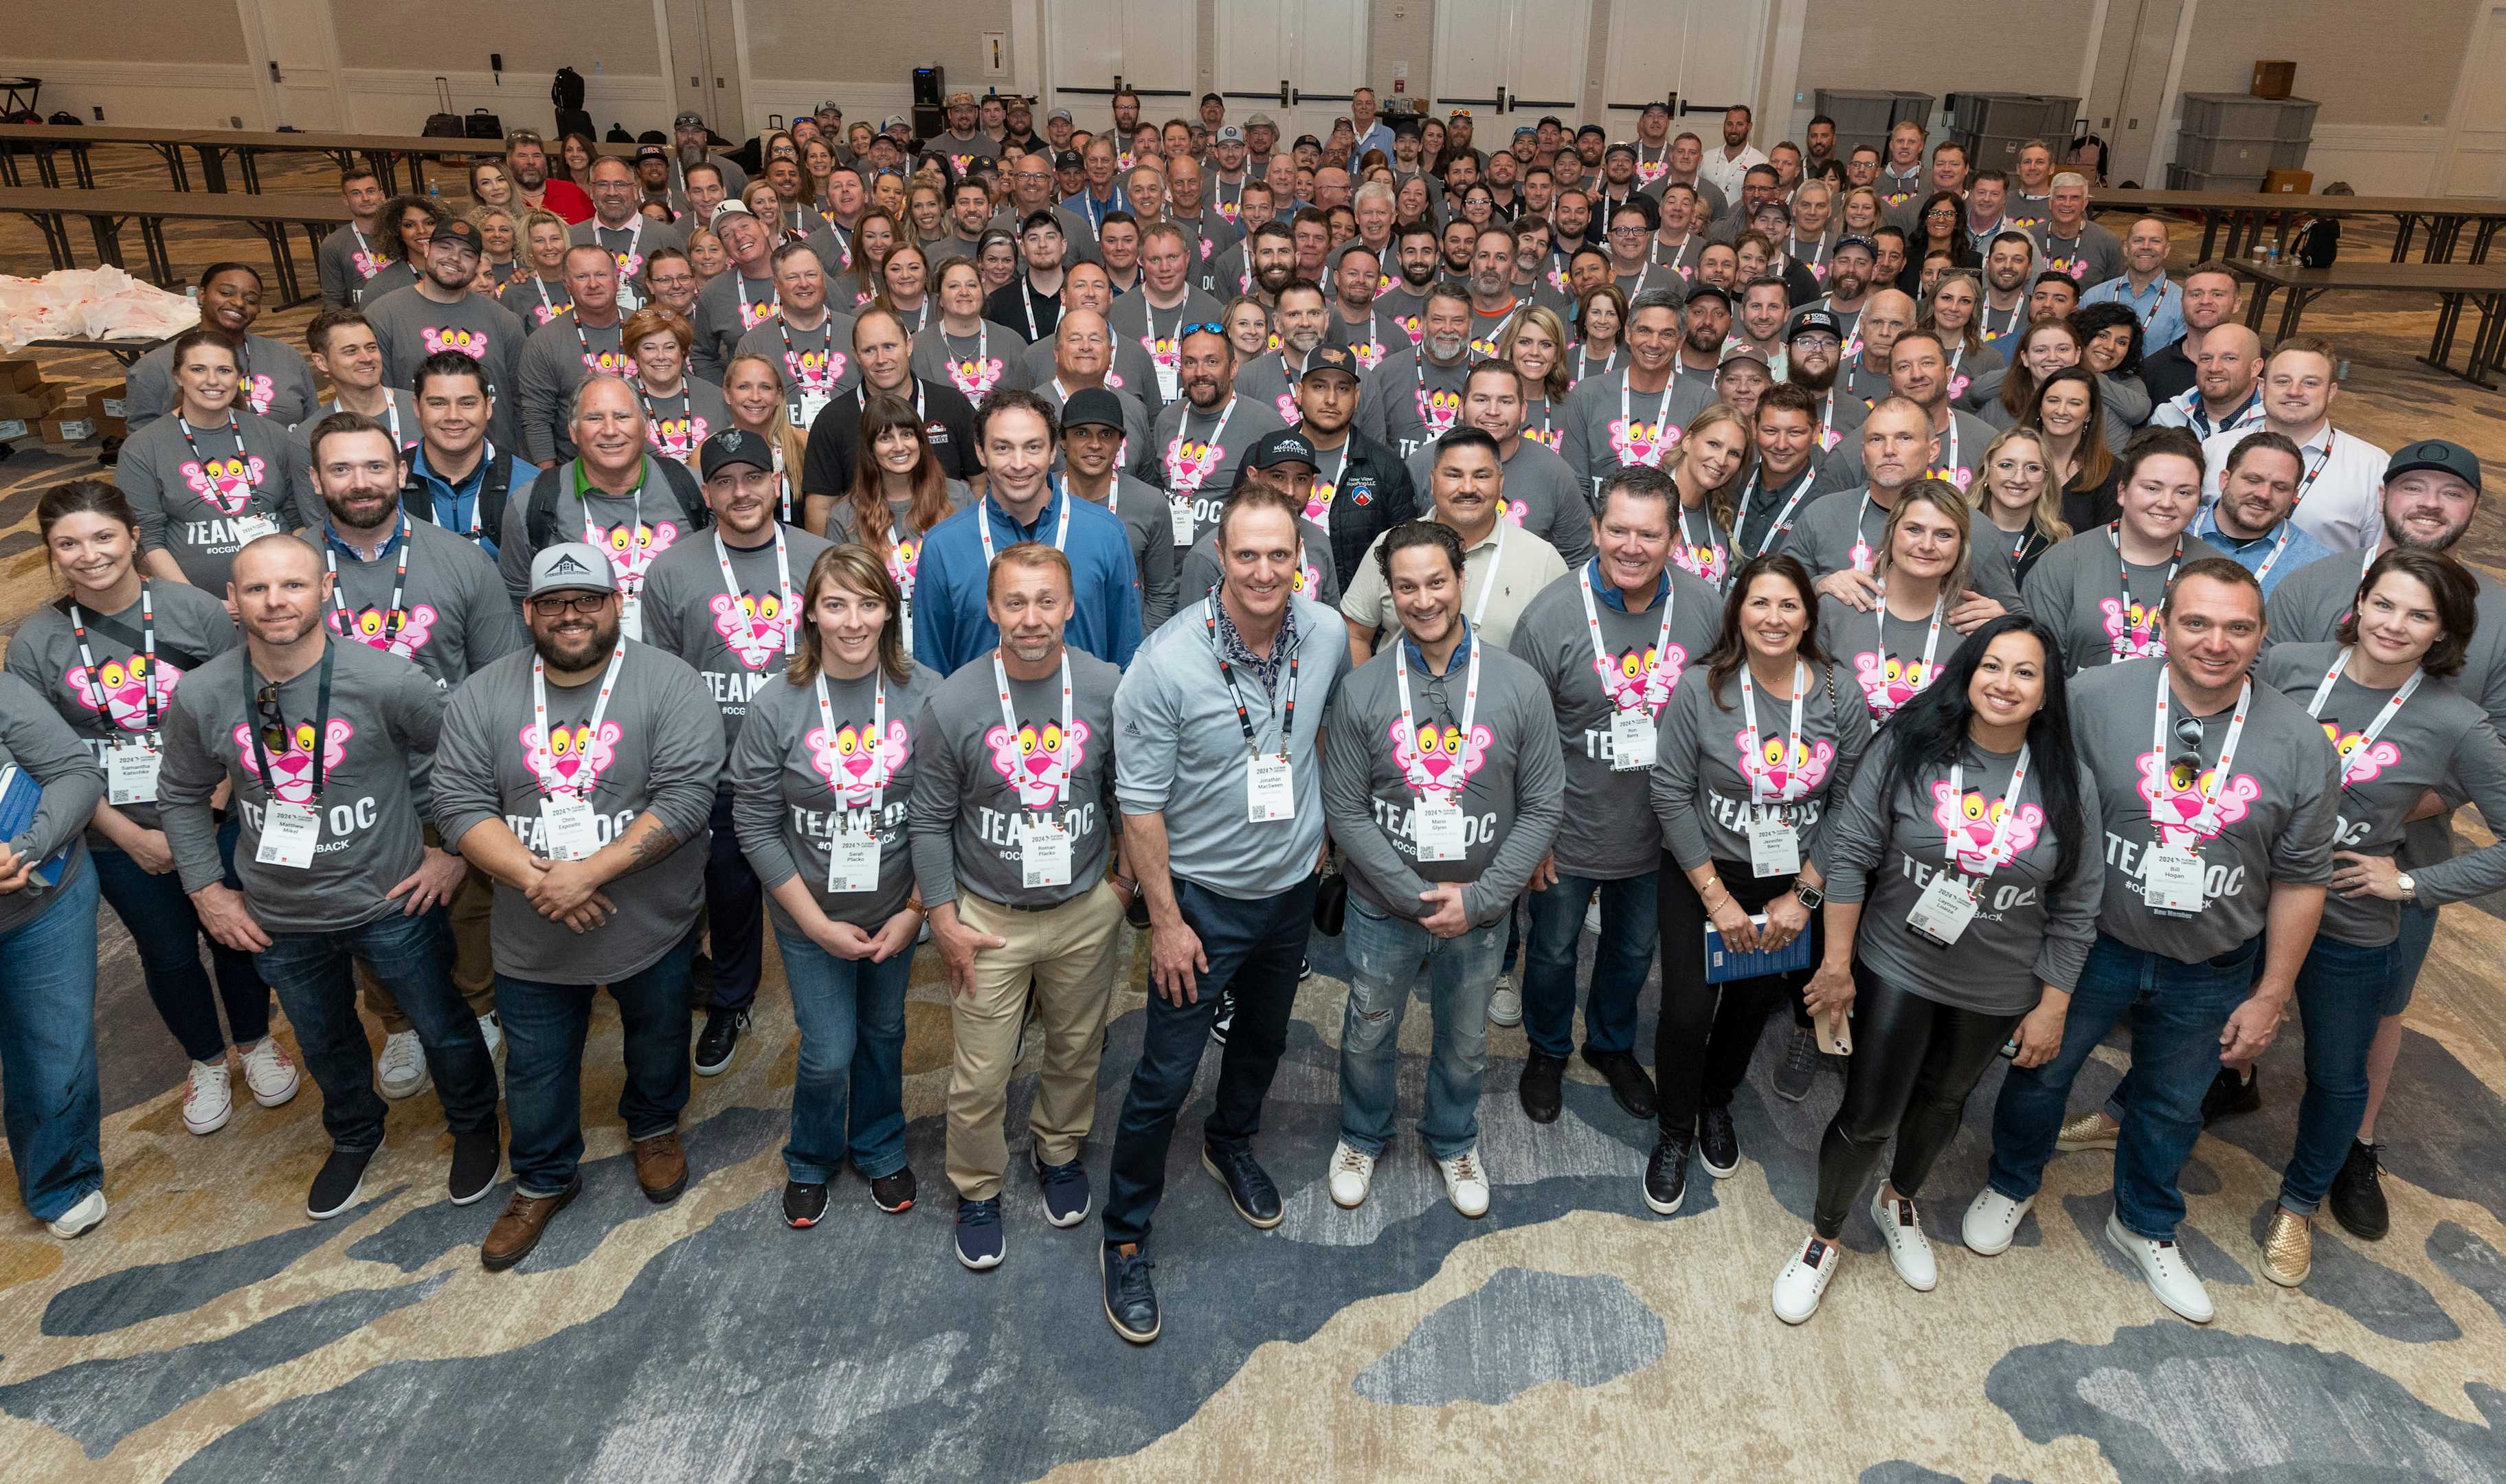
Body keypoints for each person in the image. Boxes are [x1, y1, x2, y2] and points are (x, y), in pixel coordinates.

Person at [1965, 558, 2337, 1325]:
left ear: (2261, 637)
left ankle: (2143, 1222)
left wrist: (2269, 995)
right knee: (2041, 1073)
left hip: (2212, 962)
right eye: (2195, 622)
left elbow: (2302, 879)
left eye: (2237, 628)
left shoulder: (2302, 742)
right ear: (2162, 626)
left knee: (2172, 1104)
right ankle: (2009, 1182)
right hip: (2092, 944)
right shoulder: (2092, 697)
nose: (2215, 643)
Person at [156, 529, 500, 1219]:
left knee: (444, 1025)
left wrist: (453, 852)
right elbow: (180, 795)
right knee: (321, 1038)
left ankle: (474, 1125)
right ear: (231, 601)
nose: (275, 601)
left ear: (324, 590)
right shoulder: (203, 694)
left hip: (391, 901)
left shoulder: (385, 679)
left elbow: (468, 764)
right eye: (256, 588)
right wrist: (207, 890)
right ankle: (353, 1133)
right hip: (279, 913)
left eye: (291, 585)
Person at [1772, 614, 2102, 1321]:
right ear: (1967, 672)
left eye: (2024, 672)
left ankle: (1898, 1202)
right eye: (1991, 666)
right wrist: (1835, 965)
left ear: (2046, 694)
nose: (2004, 684)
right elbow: (1852, 852)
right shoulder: (1908, 747)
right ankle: (1822, 1237)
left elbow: (2076, 906)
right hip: (1898, 963)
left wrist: (2052, 1005)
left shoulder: (2067, 780)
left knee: (1943, 1104)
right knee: (1866, 1116)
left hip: (1998, 985)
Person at [1093, 480, 1348, 1342]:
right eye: (1247, 554)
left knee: (1266, 1040)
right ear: (1218, 558)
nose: (1265, 571)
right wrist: (1165, 921)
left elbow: (1314, 736)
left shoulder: (1322, 634)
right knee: (1163, 1075)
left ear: (1300, 561)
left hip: (1287, 894)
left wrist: (1322, 846)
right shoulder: (1163, 664)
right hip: (1198, 904)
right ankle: (1124, 1234)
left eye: (1281, 555)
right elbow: (1138, 807)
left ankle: (1230, 1139)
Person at [434, 541, 724, 1270]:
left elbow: (688, 795)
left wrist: (588, 873)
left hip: (649, 920)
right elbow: (458, 803)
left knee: (657, 1036)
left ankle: (654, 1127)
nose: (571, 616)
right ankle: (542, 1177)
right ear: (528, 612)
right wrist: (544, 882)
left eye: (587, 600)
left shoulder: (669, 681)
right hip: (532, 927)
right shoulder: (484, 692)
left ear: (615, 605)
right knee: (534, 1067)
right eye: (554, 603)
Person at [2256, 440, 2503, 1238]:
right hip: (2259, 869)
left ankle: (2343, 1159)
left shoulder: (2466, 677)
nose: (2430, 504)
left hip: (2385, 869)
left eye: (2451, 493)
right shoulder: (2304, 609)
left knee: (2363, 1030)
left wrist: (2398, 836)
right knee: (2215, 1002)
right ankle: (2203, 1090)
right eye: (2413, 487)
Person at [9, 480, 295, 1138]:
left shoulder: (193, 611)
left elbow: (251, 709)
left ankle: (255, 1043)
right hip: (114, 834)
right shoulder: (36, 643)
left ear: (134, 536)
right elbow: (37, 758)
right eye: (68, 544)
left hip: (219, 812)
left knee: (236, 935)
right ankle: (206, 1061)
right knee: (166, 953)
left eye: (104, 536)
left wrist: (213, 803)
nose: (90, 555)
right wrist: (122, 833)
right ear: (52, 554)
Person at [1323, 518, 1563, 1219]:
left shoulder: (1518, 685)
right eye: (1406, 587)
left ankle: (1453, 1136)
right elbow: (1343, 809)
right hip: (1380, 907)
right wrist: (1409, 894)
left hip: (1481, 912)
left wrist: (1482, 899)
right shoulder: (1362, 689)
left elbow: (1544, 805)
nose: (1423, 599)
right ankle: (1361, 1134)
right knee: (1368, 1027)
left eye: (1436, 582)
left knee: (1463, 1039)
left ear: (1460, 582)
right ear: (1388, 594)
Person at [904, 541, 1127, 1270]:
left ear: (1069, 606)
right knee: (979, 1072)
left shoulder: (1105, 686)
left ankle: (1058, 1151)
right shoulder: (954, 701)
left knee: (1075, 1048)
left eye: (1045, 602)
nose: (1030, 619)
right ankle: (976, 1186)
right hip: (987, 919)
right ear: (990, 608)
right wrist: (942, 917)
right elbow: (929, 818)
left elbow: (1128, 796)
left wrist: (1118, 890)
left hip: (1081, 909)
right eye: (1014, 603)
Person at [1646, 552, 1867, 1213]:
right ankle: (1673, 1130)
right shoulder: (1701, 687)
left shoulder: (1837, 693)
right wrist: (1715, 897)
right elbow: (1668, 794)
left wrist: (1802, 898)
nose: (1772, 618)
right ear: (1737, 613)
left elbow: (1850, 805)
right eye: (1758, 604)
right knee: (1687, 1011)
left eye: (1788, 605)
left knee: (1748, 1008)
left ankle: (1716, 1103)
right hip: (1700, 872)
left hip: (1786, 882)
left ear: (1808, 616)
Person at [1508, 467, 1722, 1123]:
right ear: (1596, 530)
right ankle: (1546, 1050)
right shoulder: (1549, 614)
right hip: (1568, 828)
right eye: (1618, 530)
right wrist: (1531, 834)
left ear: (1673, 536)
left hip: (1661, 833)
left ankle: (1609, 1045)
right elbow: (1519, 733)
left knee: (1633, 951)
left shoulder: (1704, 608)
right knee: (1551, 951)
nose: (1632, 547)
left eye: (1649, 534)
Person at [641, 430, 834, 1074]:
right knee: (728, 896)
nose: (741, 491)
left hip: (814, 767)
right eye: (724, 481)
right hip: (722, 774)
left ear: (777, 482)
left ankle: (839, 1002)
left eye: (753, 477)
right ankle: (731, 999)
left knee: (833, 888)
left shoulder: (820, 557)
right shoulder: (672, 568)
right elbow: (663, 679)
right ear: (706, 494)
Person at [908, 389, 1145, 674]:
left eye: (1033, 447)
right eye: (1003, 448)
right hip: (982, 717)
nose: (1019, 464)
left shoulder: (1106, 534)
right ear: (981, 452)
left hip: (1083, 715)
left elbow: (1126, 655)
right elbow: (931, 668)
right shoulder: (943, 547)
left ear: (1053, 450)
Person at [0, 655, 108, 1239]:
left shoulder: (3, 694)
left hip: (41, 904)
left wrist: (26, 847)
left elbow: (76, 774)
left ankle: (61, 1178)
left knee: (52, 1054)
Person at [115, 328, 318, 593]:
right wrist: (200, 605)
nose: (213, 381)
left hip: (280, 595)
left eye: (224, 370)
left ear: (239, 377)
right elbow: (148, 540)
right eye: (198, 370)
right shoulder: (142, 447)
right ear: (178, 376)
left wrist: (292, 587)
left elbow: (298, 520)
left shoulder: (274, 436)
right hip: (194, 604)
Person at [494, 376, 713, 622]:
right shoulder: (530, 504)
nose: (610, 430)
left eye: (622, 417)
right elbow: (516, 603)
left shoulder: (695, 490)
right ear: (573, 432)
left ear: (646, 427)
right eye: (594, 418)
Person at [1785, 396, 2026, 616]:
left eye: (1904, 438)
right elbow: (1774, 588)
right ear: (1863, 453)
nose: (1889, 450)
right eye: (1876, 439)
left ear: (1933, 450)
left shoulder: (1972, 527)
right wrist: (1819, 585)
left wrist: (2001, 622)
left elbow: (2020, 622)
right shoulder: (1822, 515)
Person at [1342, 428, 1567, 659]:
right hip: (1399, 692)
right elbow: (1355, 634)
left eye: (1481, 476)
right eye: (1454, 475)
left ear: (1500, 483)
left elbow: (1560, 649)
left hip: (1502, 694)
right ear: (1432, 481)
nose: (1468, 488)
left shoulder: (1543, 561)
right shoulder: (1392, 546)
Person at [2201, 337, 2388, 554]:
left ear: (2331, 392)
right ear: (2262, 388)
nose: (2295, 392)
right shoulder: (2215, 450)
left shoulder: (2373, 468)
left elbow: (2377, 558)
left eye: (2310, 383)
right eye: (2282, 381)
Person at [1403, 359, 1596, 566]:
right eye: (1481, 399)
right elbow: (1399, 549)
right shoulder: (1422, 465)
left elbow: (1578, 560)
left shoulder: (1556, 473)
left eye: (1505, 401)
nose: (1493, 411)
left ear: (1523, 411)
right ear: (1461, 407)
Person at [1822, 480, 1980, 728]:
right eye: (1914, 529)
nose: (1927, 545)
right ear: (1891, 531)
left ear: (1961, 546)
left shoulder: (1971, 622)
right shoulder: (1839, 606)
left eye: (1944, 535)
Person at [798, 306, 983, 506]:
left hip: (944, 531)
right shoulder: (832, 420)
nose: (881, 359)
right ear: (856, 356)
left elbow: (979, 482)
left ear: (908, 345)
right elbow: (820, 506)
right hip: (866, 534)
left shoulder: (952, 404)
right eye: (869, 350)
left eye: (889, 346)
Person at [1560, 289, 1714, 504]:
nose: (1654, 343)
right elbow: (1574, 488)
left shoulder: (1704, 402)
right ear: (1629, 334)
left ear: (1681, 341)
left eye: (1667, 334)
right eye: (1644, 331)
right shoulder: (1587, 395)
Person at [127, 263, 317, 434]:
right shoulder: (153, 367)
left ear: (259, 309)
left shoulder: (285, 356)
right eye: (226, 293)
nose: (239, 303)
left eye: (251, 300)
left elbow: (314, 426)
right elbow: (143, 447)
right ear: (201, 295)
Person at [1156, 323, 1292, 541]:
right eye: (1190, 362)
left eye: (1212, 362)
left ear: (1233, 368)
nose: (1200, 373)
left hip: (1229, 563)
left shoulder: (1267, 425)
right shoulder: (1167, 419)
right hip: (1167, 561)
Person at [403, 352, 535, 561]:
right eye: (438, 403)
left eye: (467, 404)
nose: (453, 416)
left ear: (488, 407)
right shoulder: (387, 486)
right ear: (417, 407)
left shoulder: (530, 486)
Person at [516, 246, 638, 467]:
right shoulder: (543, 342)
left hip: (647, 464)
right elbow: (537, 419)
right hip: (575, 471)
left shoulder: (646, 329)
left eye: (600, 274)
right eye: (582, 277)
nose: (593, 284)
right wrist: (550, 481)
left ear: (616, 279)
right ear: (567, 285)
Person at [2191, 431, 2331, 597]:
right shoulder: (2177, 528)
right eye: (2253, 480)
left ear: (2294, 496)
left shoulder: (2318, 565)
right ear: (2225, 480)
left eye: (2280, 487)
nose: (2264, 495)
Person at [297, 308, 419, 453]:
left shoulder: (424, 409)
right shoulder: (307, 439)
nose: (367, 358)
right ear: (322, 362)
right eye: (350, 351)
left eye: (371, 348)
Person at [626, 306, 731, 467]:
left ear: (683, 351)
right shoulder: (620, 400)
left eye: (670, 347)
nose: (661, 356)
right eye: (649, 348)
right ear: (635, 354)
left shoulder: (717, 398)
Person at [690, 203, 781, 382]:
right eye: (727, 234)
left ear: (763, 226)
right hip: (749, 403)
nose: (739, 236)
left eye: (744, 225)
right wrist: (725, 397)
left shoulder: (803, 275)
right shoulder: (713, 294)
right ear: (725, 247)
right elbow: (703, 356)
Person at [1975, 427, 2072, 585]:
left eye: (2032, 468)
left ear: (2045, 480)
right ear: (1986, 472)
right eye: (2006, 465)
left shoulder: (2058, 545)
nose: (2019, 479)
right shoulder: (1958, 529)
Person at [2138, 262, 2241, 407]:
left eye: (2217, 294)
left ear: (2236, 304)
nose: (2205, 301)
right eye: (2196, 294)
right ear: (2182, 303)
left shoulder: (2257, 364)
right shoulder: (2152, 369)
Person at [2080, 218, 2186, 354]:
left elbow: (2177, 359)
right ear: (2126, 248)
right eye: (2138, 240)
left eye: (2155, 241)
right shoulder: (2094, 296)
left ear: (2167, 250)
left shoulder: (2182, 304)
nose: (2146, 247)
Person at [2149, 322, 2263, 439]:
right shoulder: (2167, 418)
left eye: (2229, 358)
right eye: (2206, 358)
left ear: (2255, 368)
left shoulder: (2273, 422)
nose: (2214, 368)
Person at [317, 167, 394, 309]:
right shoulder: (333, 244)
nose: (366, 198)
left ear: (382, 195)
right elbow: (332, 300)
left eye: (371, 191)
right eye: (356, 193)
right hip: (363, 324)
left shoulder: (403, 234)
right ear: (346, 200)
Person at [2030, 175, 2123, 289]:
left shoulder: (2108, 242)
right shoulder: (2028, 238)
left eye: (2075, 198)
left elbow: (2115, 290)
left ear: (2084, 203)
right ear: (2050, 202)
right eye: (2061, 197)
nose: (2067, 204)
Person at [500, 209, 577, 331]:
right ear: (529, 247)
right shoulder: (515, 293)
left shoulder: (583, 283)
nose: (549, 247)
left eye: (555, 239)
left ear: (565, 242)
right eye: (539, 241)